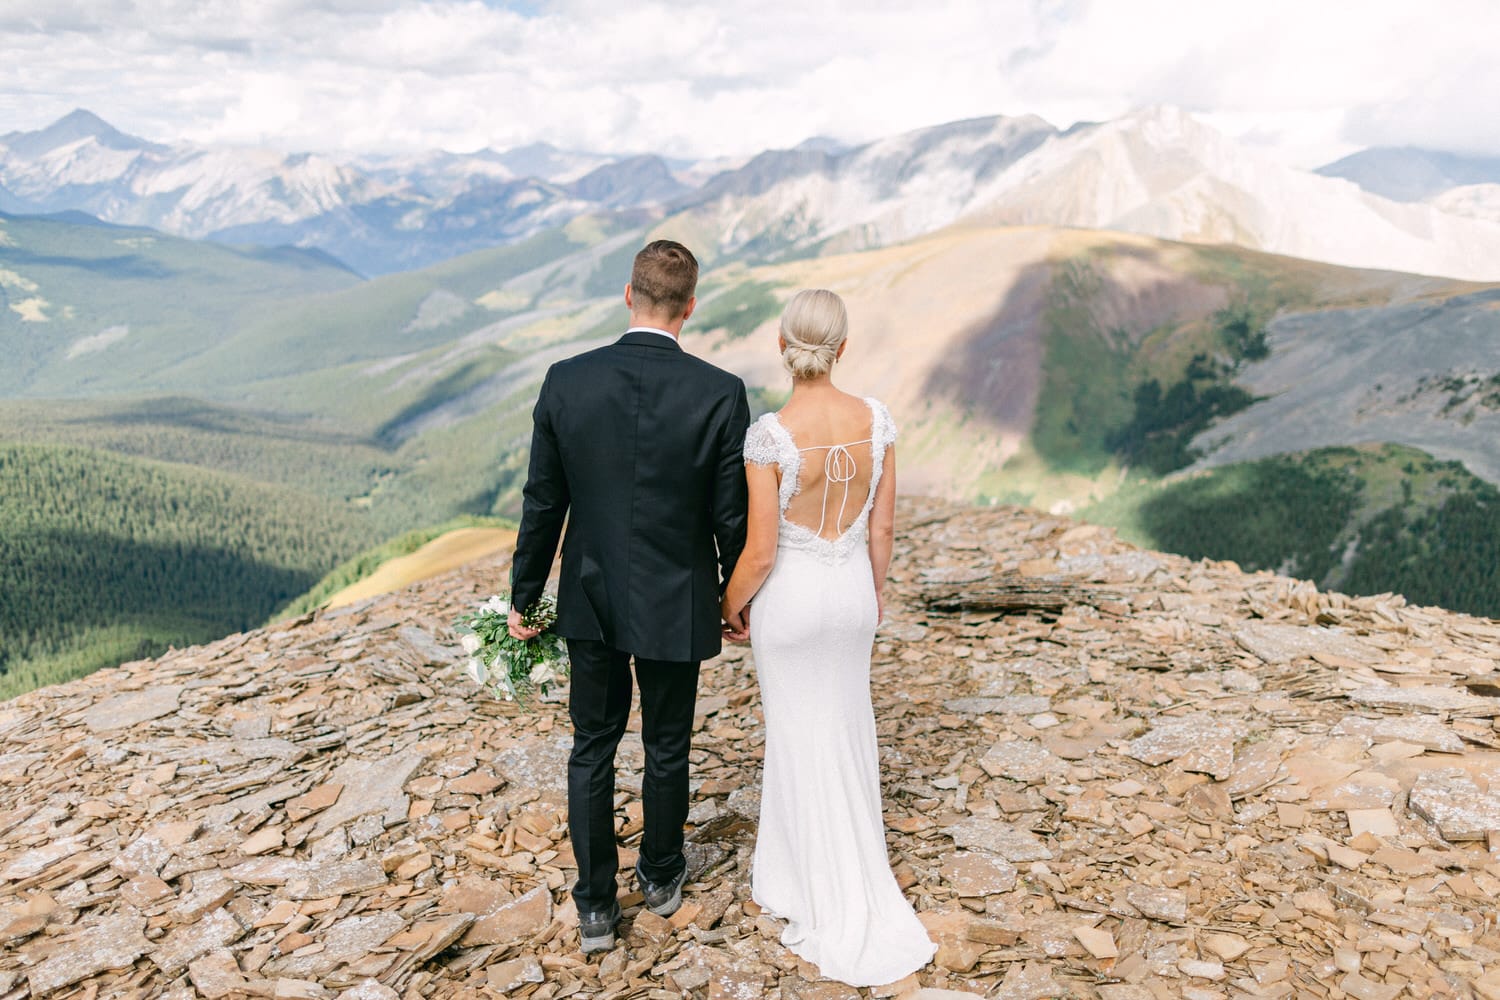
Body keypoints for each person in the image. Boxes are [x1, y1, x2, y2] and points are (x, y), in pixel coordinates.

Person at [507, 240, 751, 954]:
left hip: (592, 592)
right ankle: (664, 873)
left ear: (628, 295)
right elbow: (730, 516)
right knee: (667, 743)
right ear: (690, 307)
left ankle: (593, 906)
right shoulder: (719, 392)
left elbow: (543, 502)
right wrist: (737, 598)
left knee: (593, 744)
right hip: (677, 597)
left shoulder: (566, 380)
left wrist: (524, 592)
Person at [719, 289, 936, 985]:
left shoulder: (769, 435)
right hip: (849, 596)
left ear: (786, 347)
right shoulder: (875, 421)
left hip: (791, 599)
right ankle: (853, 868)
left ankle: (801, 881)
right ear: (841, 349)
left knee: (796, 731)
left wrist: (729, 607)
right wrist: (871, 593)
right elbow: (883, 529)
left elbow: (758, 552)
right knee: (846, 726)